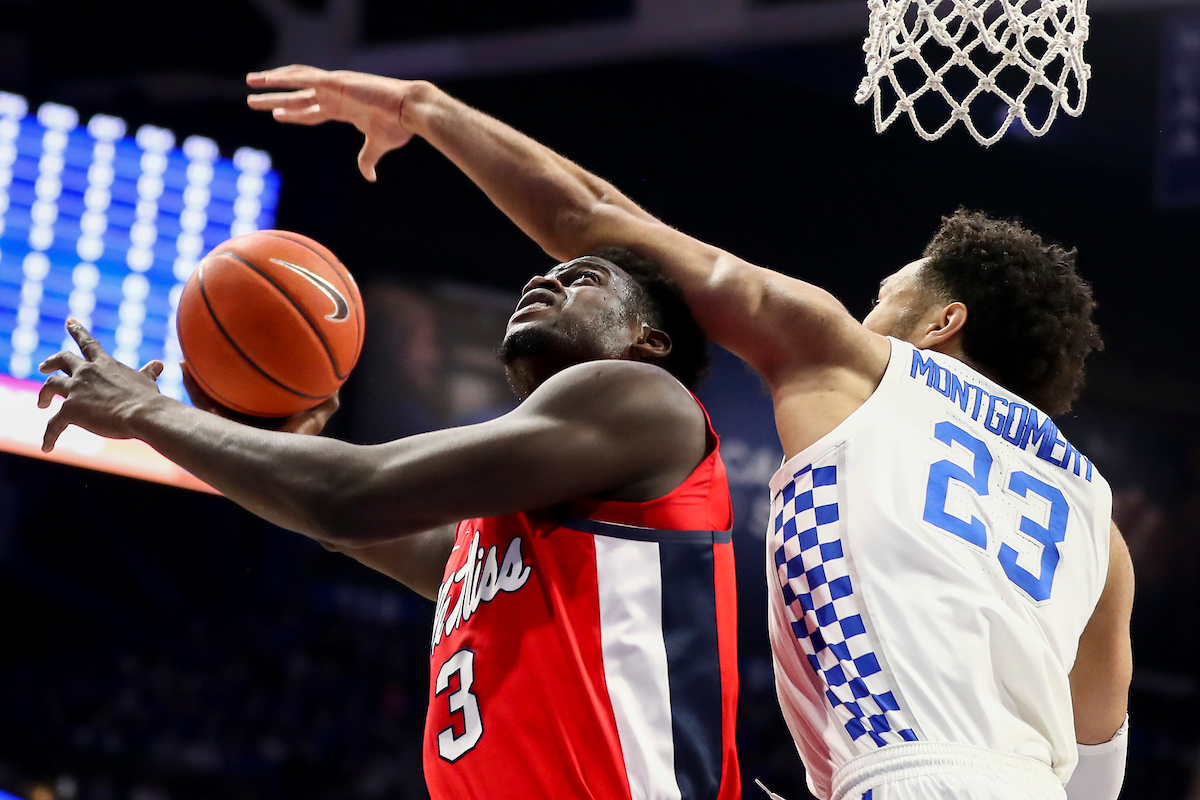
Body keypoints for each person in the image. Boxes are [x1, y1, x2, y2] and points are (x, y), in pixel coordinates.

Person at [243, 66, 1134, 800]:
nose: (866, 310)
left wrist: (426, 111)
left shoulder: (862, 367)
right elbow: (1097, 771)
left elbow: (594, 224)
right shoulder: (1102, 526)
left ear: (942, 323)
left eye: (888, 295)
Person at [37, 246, 741, 800]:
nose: (544, 279)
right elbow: (345, 520)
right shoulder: (496, 537)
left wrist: (149, 413)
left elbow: (353, 498)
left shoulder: (643, 395)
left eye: (583, 277)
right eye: (547, 271)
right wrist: (271, 438)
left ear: (648, 341)